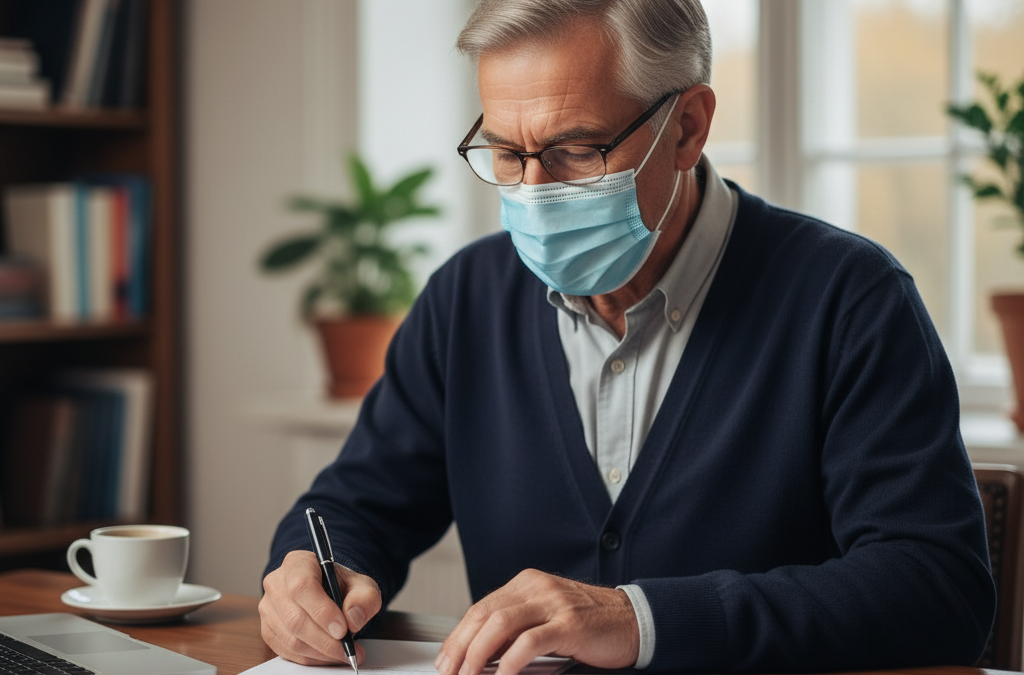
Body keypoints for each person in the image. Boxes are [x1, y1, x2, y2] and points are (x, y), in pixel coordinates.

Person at [259, 1, 996, 673]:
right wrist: (312, 574)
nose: (535, 191)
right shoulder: (467, 298)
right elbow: (354, 505)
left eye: (576, 150)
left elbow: (937, 590)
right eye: (507, 155)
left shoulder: (848, 298)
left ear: (687, 128)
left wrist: (640, 619)